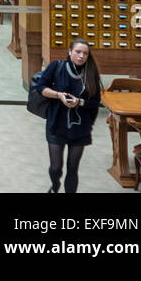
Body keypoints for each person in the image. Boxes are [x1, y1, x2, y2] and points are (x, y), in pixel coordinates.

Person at [33, 38, 101, 193]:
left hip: (80, 127)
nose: (81, 56)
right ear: (70, 52)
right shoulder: (57, 67)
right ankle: (55, 185)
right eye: (78, 52)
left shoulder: (90, 74)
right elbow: (41, 87)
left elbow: (95, 102)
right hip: (56, 123)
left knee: (73, 168)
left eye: (85, 53)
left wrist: (79, 102)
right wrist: (58, 95)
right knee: (56, 167)